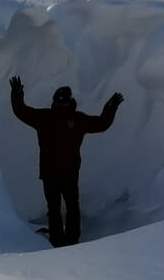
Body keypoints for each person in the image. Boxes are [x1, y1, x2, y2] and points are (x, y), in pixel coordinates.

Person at [9, 76, 123, 247]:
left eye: (62, 102)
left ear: (69, 102)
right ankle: (61, 240)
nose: (60, 105)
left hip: (64, 172)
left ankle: (68, 240)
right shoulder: (50, 117)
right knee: (59, 208)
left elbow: (101, 123)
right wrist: (17, 94)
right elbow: (21, 111)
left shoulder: (73, 119)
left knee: (67, 207)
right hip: (53, 173)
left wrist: (111, 107)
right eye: (58, 101)